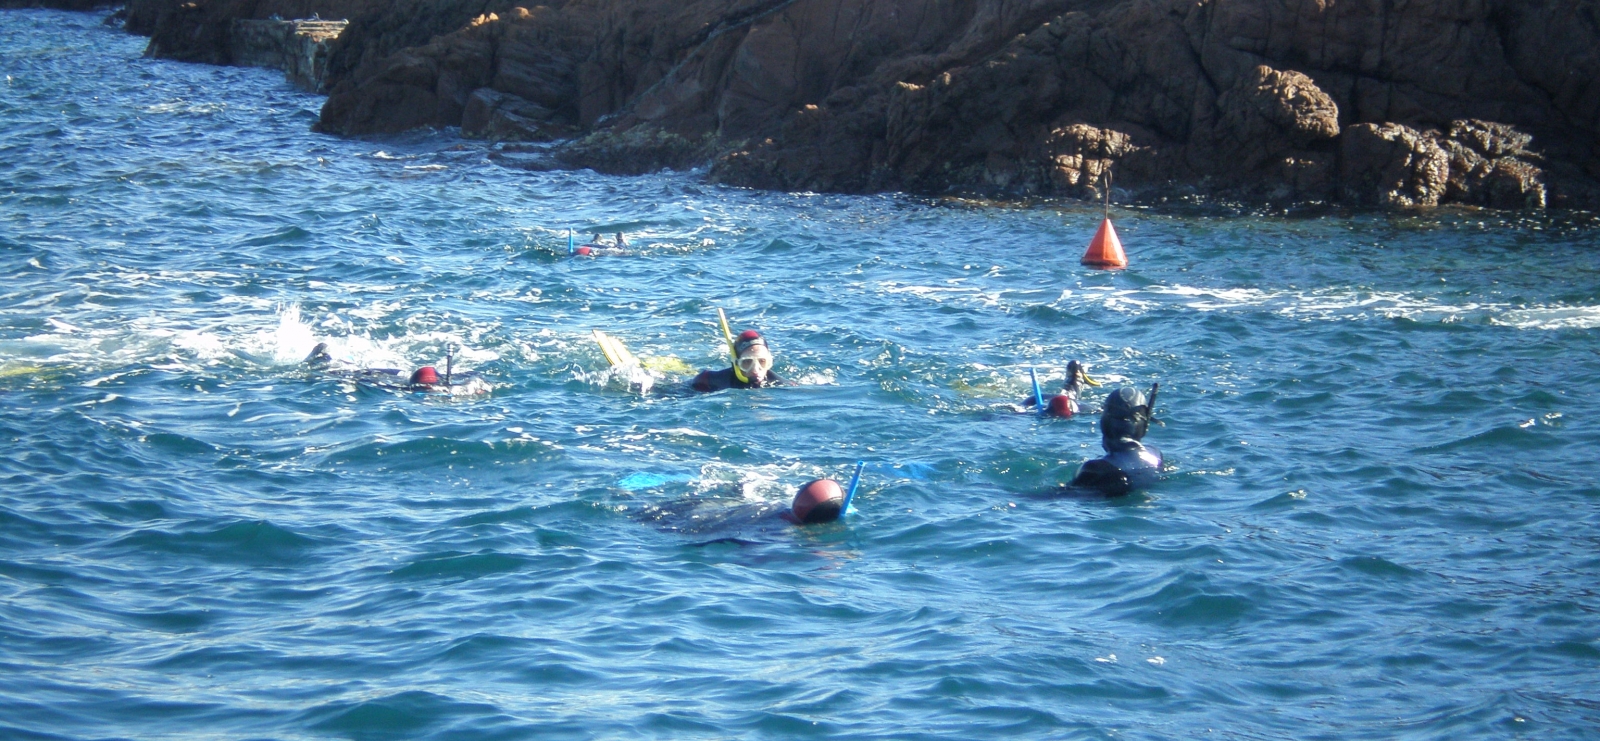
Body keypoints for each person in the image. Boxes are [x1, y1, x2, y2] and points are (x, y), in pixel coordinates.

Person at [1068, 384, 1163, 495]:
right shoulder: (1156, 455)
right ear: (1144, 425)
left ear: (1106, 422)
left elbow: (1062, 497)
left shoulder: (1094, 469)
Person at [691, 329, 783, 391]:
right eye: (747, 362)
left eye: (762, 361)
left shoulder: (782, 384)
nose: (755, 370)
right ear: (736, 363)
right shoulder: (707, 379)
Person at [1025, 360, 1097, 417]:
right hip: (1060, 400)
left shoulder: (1083, 409)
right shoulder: (1043, 408)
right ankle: (1076, 375)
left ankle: (1076, 376)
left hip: (1067, 400)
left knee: (1071, 392)